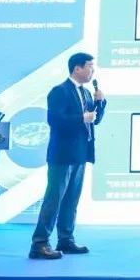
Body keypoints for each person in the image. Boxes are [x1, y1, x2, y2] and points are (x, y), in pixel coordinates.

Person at [30, 52, 106, 260]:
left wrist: (100, 103)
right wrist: (82, 117)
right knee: (54, 199)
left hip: (80, 154)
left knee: (71, 200)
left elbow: (94, 120)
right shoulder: (60, 91)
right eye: (89, 66)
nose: (92, 70)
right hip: (62, 155)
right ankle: (39, 243)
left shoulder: (86, 93)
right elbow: (55, 120)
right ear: (77, 68)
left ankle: (66, 240)